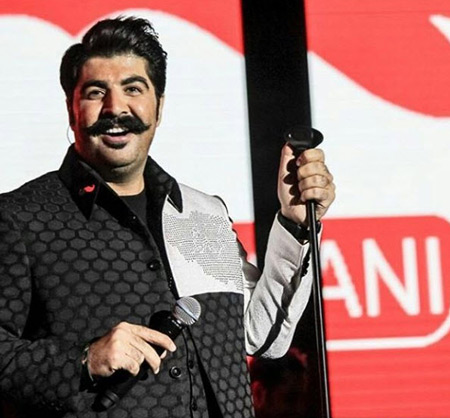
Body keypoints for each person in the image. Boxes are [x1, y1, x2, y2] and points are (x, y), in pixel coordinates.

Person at [0, 16, 335, 418]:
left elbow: (262, 337)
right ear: (72, 110)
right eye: (96, 92)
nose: (115, 108)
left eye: (133, 89)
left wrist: (295, 224)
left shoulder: (202, 214)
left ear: (158, 107)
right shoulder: (21, 218)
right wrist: (83, 361)